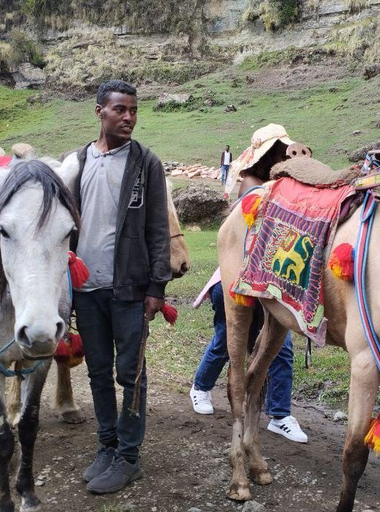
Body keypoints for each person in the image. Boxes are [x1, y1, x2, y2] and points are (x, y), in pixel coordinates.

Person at [71, 79, 171, 495]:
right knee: (97, 372)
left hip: (129, 288)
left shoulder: (146, 163)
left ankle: (128, 457)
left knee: (131, 374)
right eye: (120, 110)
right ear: (100, 111)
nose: (128, 117)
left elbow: (158, 229)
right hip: (87, 287)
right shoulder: (76, 162)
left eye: (133, 109)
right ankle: (106, 445)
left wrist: (156, 288)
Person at [190, 124, 308, 444]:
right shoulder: (253, 185)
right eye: (280, 151)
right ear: (268, 155)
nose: (286, 155)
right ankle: (200, 388)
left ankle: (280, 414)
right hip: (238, 281)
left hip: (270, 281)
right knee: (228, 343)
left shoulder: (277, 183)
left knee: (279, 348)